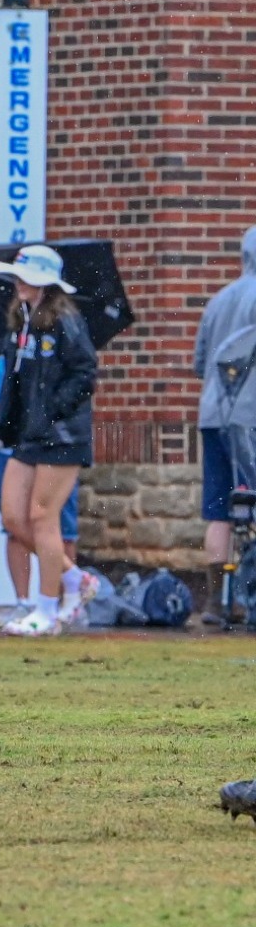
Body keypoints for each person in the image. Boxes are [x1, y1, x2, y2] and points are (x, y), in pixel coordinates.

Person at [0, 245, 98, 637]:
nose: (19, 283)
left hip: (62, 436)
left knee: (42, 517)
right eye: (19, 276)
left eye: (28, 277)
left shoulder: (66, 320)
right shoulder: (20, 320)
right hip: (30, 435)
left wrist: (52, 410)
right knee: (13, 518)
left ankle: (47, 609)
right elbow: (15, 379)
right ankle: (75, 580)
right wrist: (11, 420)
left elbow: (84, 372)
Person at [0, 354, 87, 625]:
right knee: (15, 524)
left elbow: (76, 393)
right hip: (10, 451)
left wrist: (45, 416)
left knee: (58, 526)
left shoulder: (65, 356)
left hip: (54, 448)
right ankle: (27, 601)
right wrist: (19, 417)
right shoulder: (4, 361)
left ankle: (65, 603)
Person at [194, 225, 256, 628]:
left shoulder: (218, 300)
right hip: (250, 417)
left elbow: (201, 362)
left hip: (212, 415)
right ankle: (251, 600)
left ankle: (215, 603)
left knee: (219, 507)